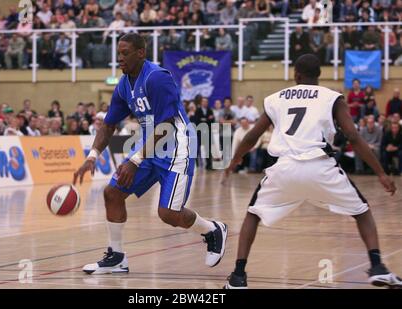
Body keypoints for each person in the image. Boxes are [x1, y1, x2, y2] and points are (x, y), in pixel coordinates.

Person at [222, 54, 401, 289]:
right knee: (361, 212)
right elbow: (353, 136)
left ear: (296, 74)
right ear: (319, 75)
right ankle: (377, 267)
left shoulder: (276, 98)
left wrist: (235, 159)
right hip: (320, 167)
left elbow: (253, 136)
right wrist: (380, 173)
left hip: (284, 168)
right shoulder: (332, 98)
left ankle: (238, 276)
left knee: (253, 215)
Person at [73, 33, 228, 275]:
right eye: (119, 54)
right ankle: (116, 257)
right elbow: (109, 124)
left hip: (176, 145)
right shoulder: (124, 84)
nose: (120, 59)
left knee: (168, 213)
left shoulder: (157, 78)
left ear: (141, 53)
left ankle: (212, 230)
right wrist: (92, 155)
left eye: (125, 53)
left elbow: (166, 125)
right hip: (150, 146)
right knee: (112, 193)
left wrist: (134, 161)